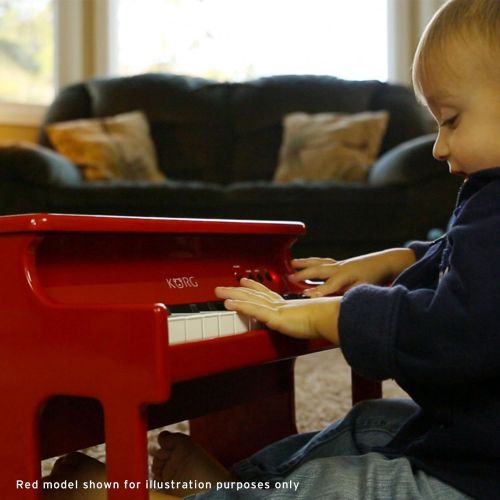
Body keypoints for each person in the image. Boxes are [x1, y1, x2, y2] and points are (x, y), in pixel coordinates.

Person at [43, 0, 500, 498]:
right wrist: (394, 260)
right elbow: (465, 257)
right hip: (475, 442)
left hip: (475, 480)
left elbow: (450, 333)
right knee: (370, 423)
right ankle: (235, 486)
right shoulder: (488, 197)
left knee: (344, 485)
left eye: (450, 119)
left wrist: (330, 315)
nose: (437, 146)